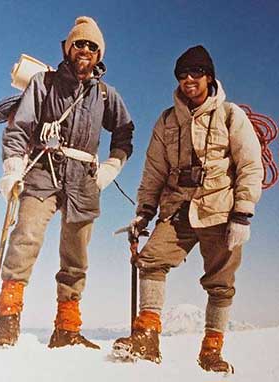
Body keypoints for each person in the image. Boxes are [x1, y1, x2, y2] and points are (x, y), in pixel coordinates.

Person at [112, 45, 263, 373]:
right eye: (182, 74)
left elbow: (250, 164)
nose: (189, 79)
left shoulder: (230, 115)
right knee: (150, 260)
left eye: (196, 72)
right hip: (178, 207)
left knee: (221, 282)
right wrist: (144, 213)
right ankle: (147, 337)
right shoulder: (167, 121)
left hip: (221, 211)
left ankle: (211, 351)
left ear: (209, 76)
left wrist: (243, 214)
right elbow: (153, 171)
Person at [0, 16, 134, 349]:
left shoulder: (106, 96)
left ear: (99, 55)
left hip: (84, 182)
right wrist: (12, 167)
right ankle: (7, 321)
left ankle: (67, 328)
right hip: (42, 173)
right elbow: (19, 129)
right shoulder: (43, 83)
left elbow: (125, 132)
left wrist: (113, 165)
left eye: (92, 46)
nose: (85, 50)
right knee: (25, 238)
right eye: (79, 43)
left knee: (76, 256)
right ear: (68, 48)